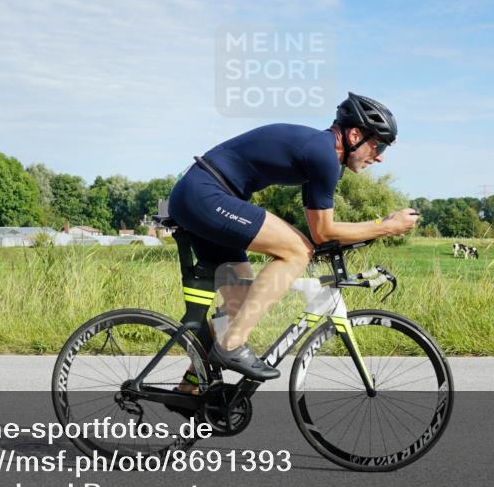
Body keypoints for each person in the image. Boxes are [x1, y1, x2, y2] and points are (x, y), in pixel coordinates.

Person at [167, 92, 420, 383]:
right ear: (354, 134)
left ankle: (192, 386)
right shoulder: (323, 155)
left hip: (204, 195)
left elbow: (323, 230)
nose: (379, 156)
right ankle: (232, 345)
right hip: (205, 194)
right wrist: (386, 226)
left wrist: (379, 225)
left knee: (240, 303)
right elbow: (322, 232)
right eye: (377, 145)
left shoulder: (323, 156)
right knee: (297, 252)